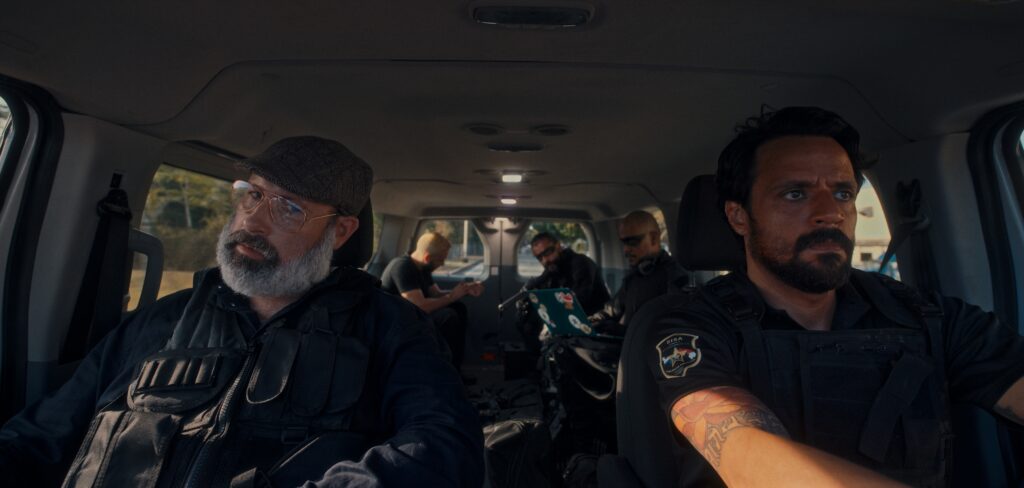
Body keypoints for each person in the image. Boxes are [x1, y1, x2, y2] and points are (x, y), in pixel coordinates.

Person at [0, 136, 484, 487]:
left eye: (288, 208)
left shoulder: (390, 328)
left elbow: (443, 445)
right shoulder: (162, 321)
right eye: (253, 194)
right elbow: (41, 436)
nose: (252, 221)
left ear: (339, 232)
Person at [647, 107, 1024, 486]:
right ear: (738, 217)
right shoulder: (693, 327)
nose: (831, 213)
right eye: (795, 194)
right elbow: (741, 449)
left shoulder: (929, 318)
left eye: (843, 193)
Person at [381, 232, 484, 371]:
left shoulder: (422, 267)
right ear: (427, 258)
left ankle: (455, 369)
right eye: (440, 260)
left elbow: (435, 294)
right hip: (398, 321)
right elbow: (420, 306)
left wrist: (463, 291)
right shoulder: (402, 267)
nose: (443, 264)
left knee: (458, 307)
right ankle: (443, 369)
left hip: (413, 314)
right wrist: (451, 296)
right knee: (448, 316)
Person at [588, 210, 688, 336]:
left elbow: (669, 328)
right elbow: (613, 309)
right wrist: (590, 321)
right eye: (624, 242)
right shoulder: (635, 275)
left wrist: (621, 331)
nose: (626, 249)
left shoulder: (674, 276)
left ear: (653, 238)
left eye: (632, 242)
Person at [525, 232, 610, 315]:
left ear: (558, 246)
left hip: (598, 318)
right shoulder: (551, 269)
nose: (545, 261)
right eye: (539, 257)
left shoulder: (581, 263)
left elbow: (578, 301)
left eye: (547, 253)